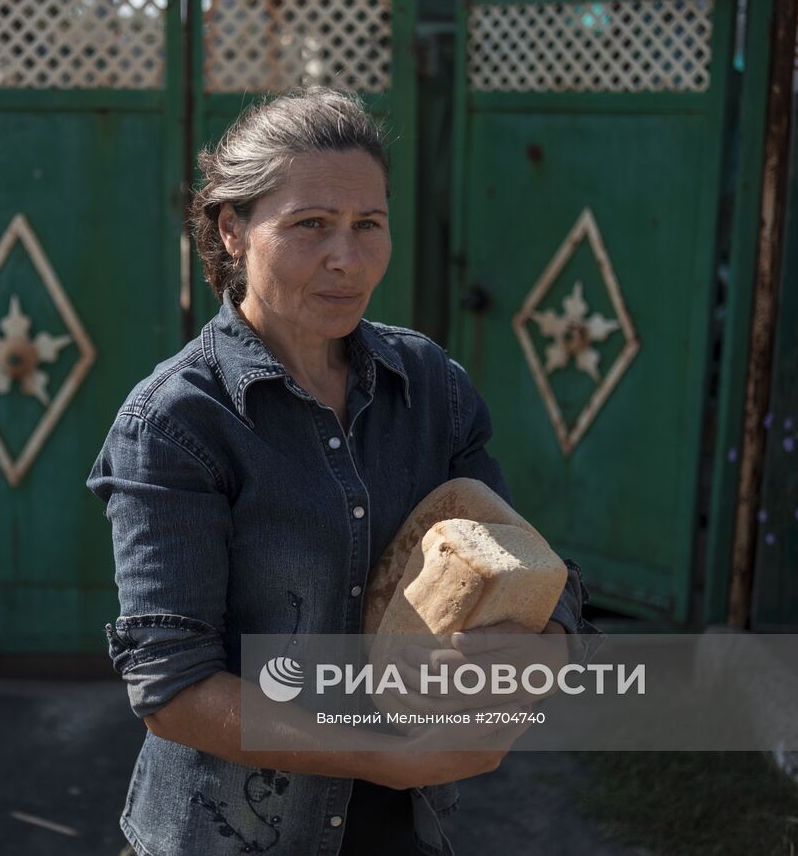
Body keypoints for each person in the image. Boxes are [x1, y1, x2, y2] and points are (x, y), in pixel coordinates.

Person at [86, 86, 601, 856]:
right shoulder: (176, 423)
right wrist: (388, 756)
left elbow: (532, 573)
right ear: (232, 230)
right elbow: (172, 688)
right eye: (310, 226)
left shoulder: (431, 387)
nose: (347, 258)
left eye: (368, 225)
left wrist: (544, 646)